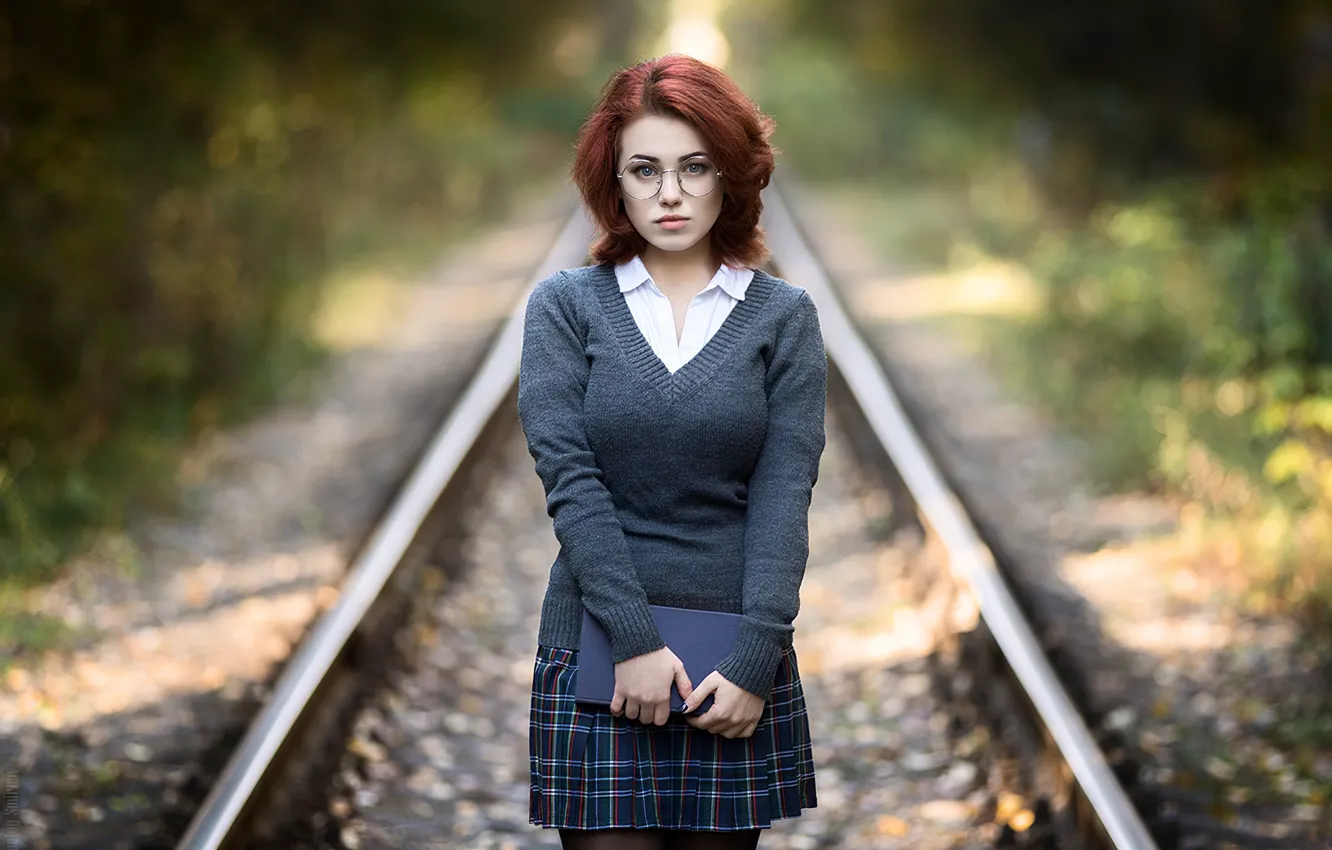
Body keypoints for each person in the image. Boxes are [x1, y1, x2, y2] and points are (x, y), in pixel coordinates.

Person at [517, 53, 827, 850]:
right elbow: (572, 485)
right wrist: (635, 641)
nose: (670, 193)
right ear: (614, 182)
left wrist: (757, 659)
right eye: (644, 169)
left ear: (730, 175)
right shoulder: (565, 309)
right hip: (597, 650)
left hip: (731, 667)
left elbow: (783, 498)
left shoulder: (784, 318)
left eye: (695, 167)